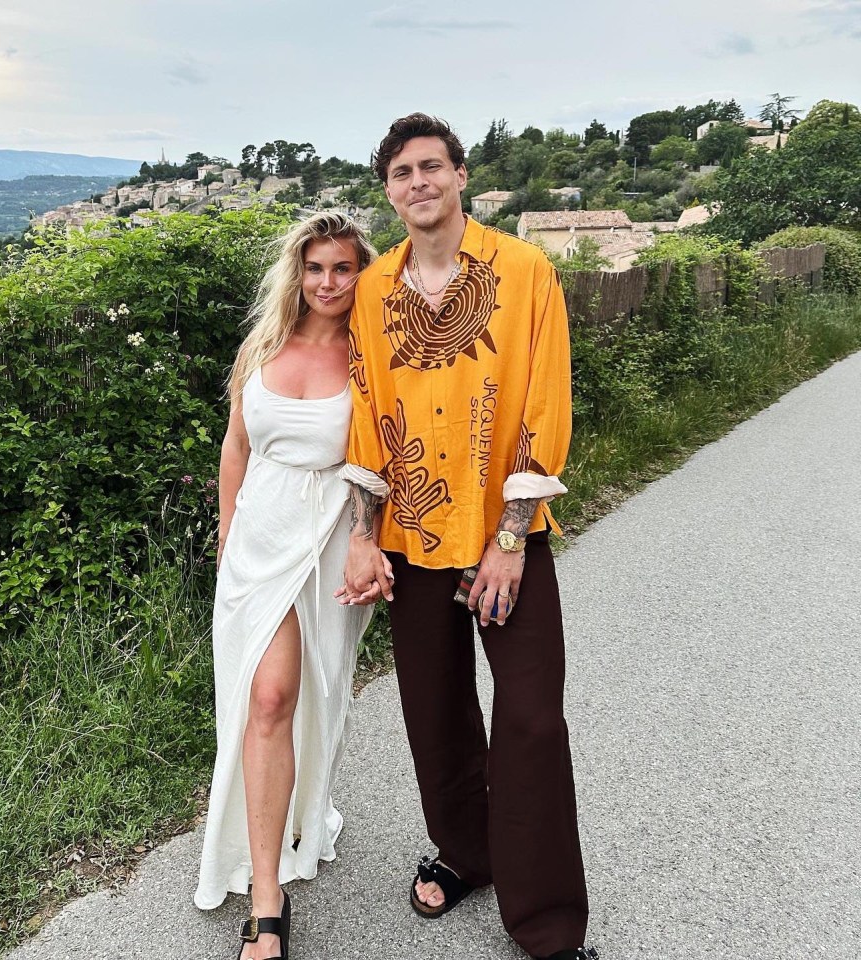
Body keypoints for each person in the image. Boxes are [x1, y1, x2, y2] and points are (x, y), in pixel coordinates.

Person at [336, 114, 597, 960]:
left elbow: (543, 407)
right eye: (402, 173)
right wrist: (360, 536)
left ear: (460, 176)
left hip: (502, 537)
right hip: (410, 535)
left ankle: (550, 925)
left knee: (530, 719)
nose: (418, 182)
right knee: (435, 713)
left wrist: (511, 540)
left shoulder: (524, 272)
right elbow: (369, 418)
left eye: (431, 167)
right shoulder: (374, 291)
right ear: (389, 191)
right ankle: (467, 852)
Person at [194, 212, 381, 960]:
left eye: (343, 268)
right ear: (296, 274)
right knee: (268, 696)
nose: (329, 283)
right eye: (316, 268)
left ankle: (304, 815)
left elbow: (380, 460)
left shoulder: (376, 357)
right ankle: (266, 899)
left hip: (332, 539)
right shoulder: (263, 346)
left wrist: (367, 541)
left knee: (319, 699)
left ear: (361, 275)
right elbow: (235, 449)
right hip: (259, 542)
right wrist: (227, 540)